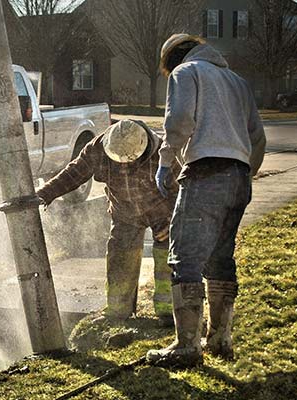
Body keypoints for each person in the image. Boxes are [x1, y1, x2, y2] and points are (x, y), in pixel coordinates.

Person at [147, 34, 266, 367]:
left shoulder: (187, 73)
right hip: (240, 177)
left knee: (184, 257)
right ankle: (219, 340)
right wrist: (243, 173)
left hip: (206, 172)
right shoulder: (237, 81)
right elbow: (257, 136)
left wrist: (165, 162)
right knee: (220, 260)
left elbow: (180, 121)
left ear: (173, 60)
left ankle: (186, 346)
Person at [37, 119, 178, 325]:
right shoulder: (98, 148)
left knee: (167, 258)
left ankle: (168, 313)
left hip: (161, 212)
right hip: (125, 213)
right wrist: (44, 194)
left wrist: (172, 220)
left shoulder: (163, 155)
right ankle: (118, 311)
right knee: (120, 258)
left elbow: (183, 191)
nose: (123, 166)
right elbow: (74, 173)